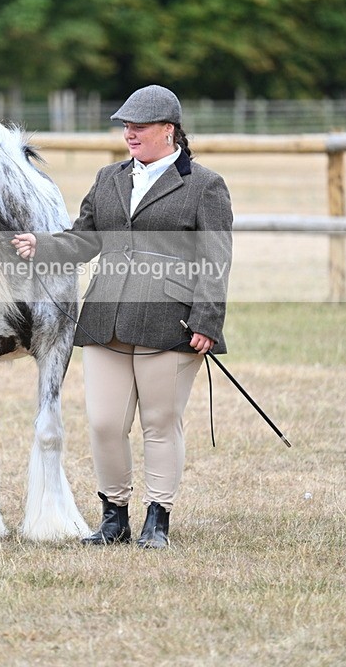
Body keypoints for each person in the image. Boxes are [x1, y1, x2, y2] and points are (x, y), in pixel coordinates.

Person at [13, 85, 233, 549]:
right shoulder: (109, 178)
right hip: (106, 319)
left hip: (170, 323)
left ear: (168, 131)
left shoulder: (204, 186)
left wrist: (207, 321)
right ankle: (114, 517)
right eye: (125, 126)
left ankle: (157, 519)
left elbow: (216, 257)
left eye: (139, 126)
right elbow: (85, 238)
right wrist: (44, 246)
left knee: (159, 422)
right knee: (105, 423)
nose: (129, 133)